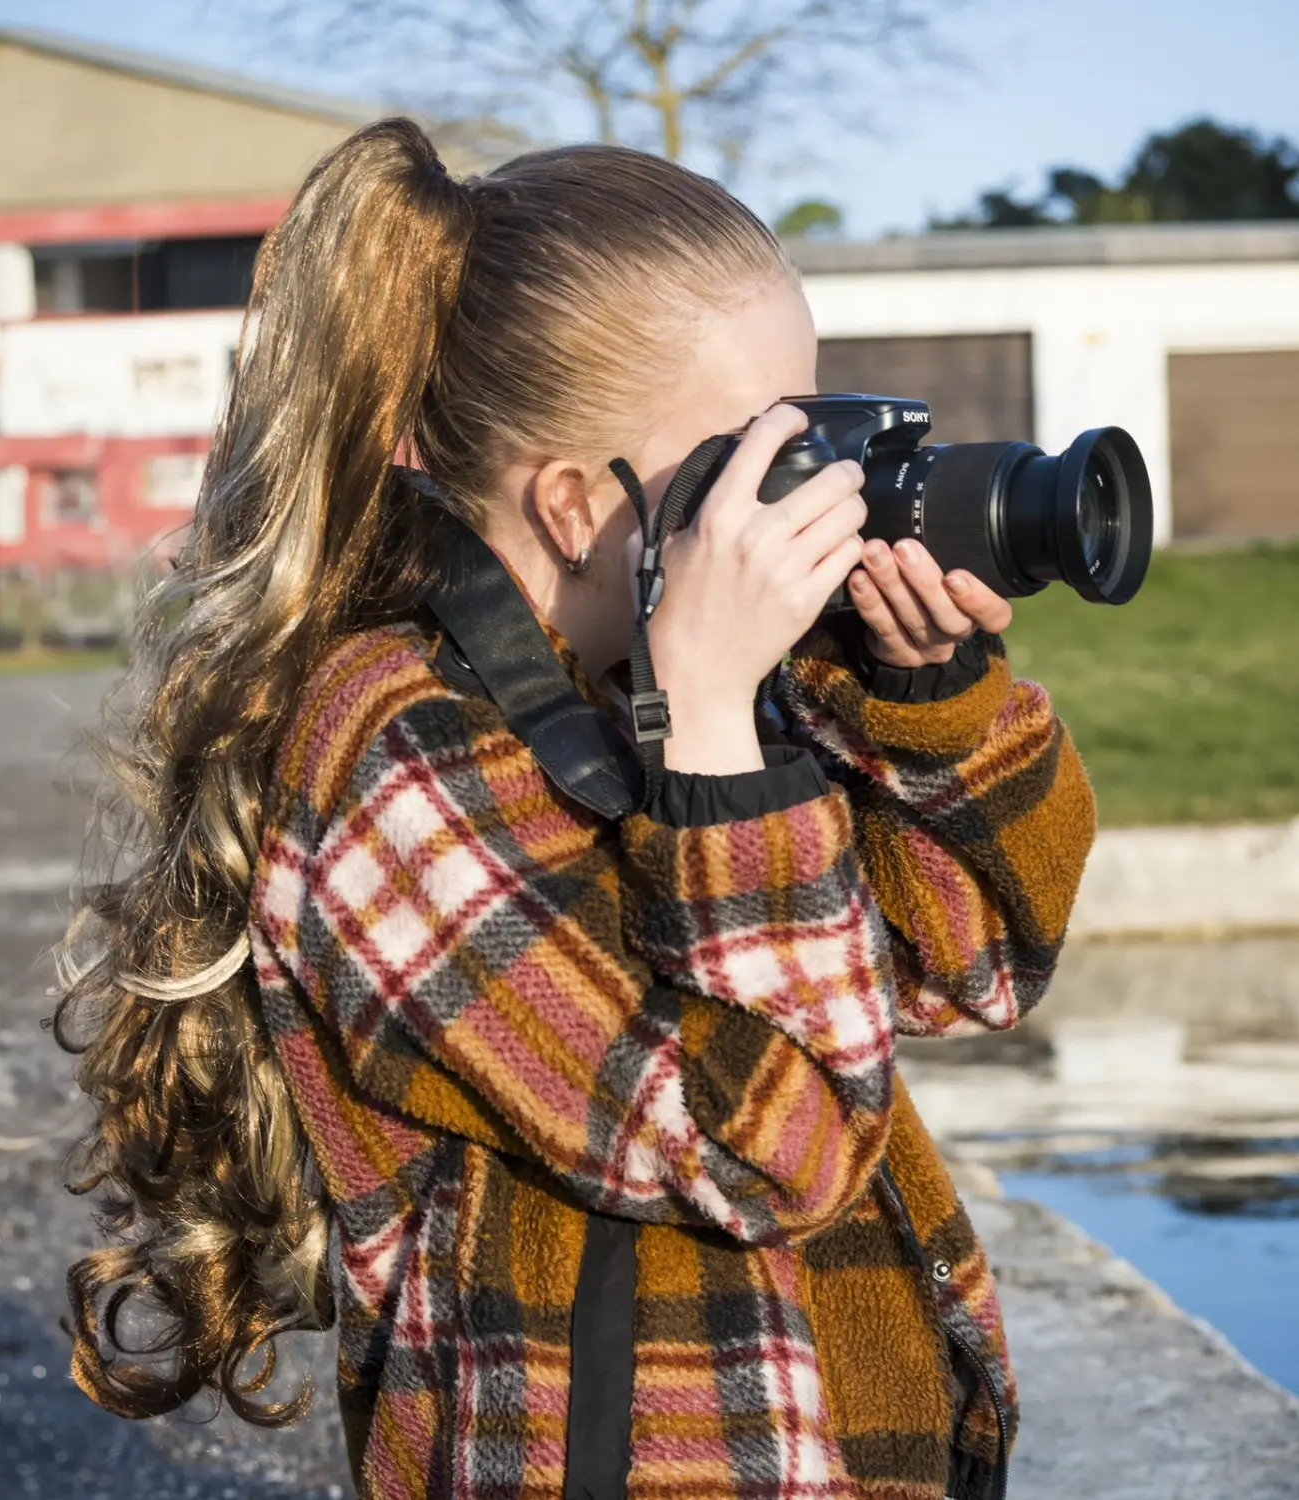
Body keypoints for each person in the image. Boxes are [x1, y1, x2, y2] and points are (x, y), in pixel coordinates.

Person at [56, 118, 1095, 1500]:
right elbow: (766, 1152)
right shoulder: (391, 752)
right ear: (569, 503)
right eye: (754, 452)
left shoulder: (658, 678)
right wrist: (723, 752)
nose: (816, 488)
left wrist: (926, 695)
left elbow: (966, 967)